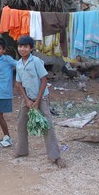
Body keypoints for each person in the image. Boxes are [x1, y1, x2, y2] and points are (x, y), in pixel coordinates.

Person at [14, 35, 66, 168]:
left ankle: (55, 157)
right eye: (20, 46)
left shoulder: (36, 61)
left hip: (41, 97)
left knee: (47, 125)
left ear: (31, 48)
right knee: (21, 123)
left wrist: (37, 101)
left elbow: (44, 80)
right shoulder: (19, 64)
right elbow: (18, 84)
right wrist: (26, 100)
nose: (22, 49)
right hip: (28, 98)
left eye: (25, 46)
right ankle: (22, 151)